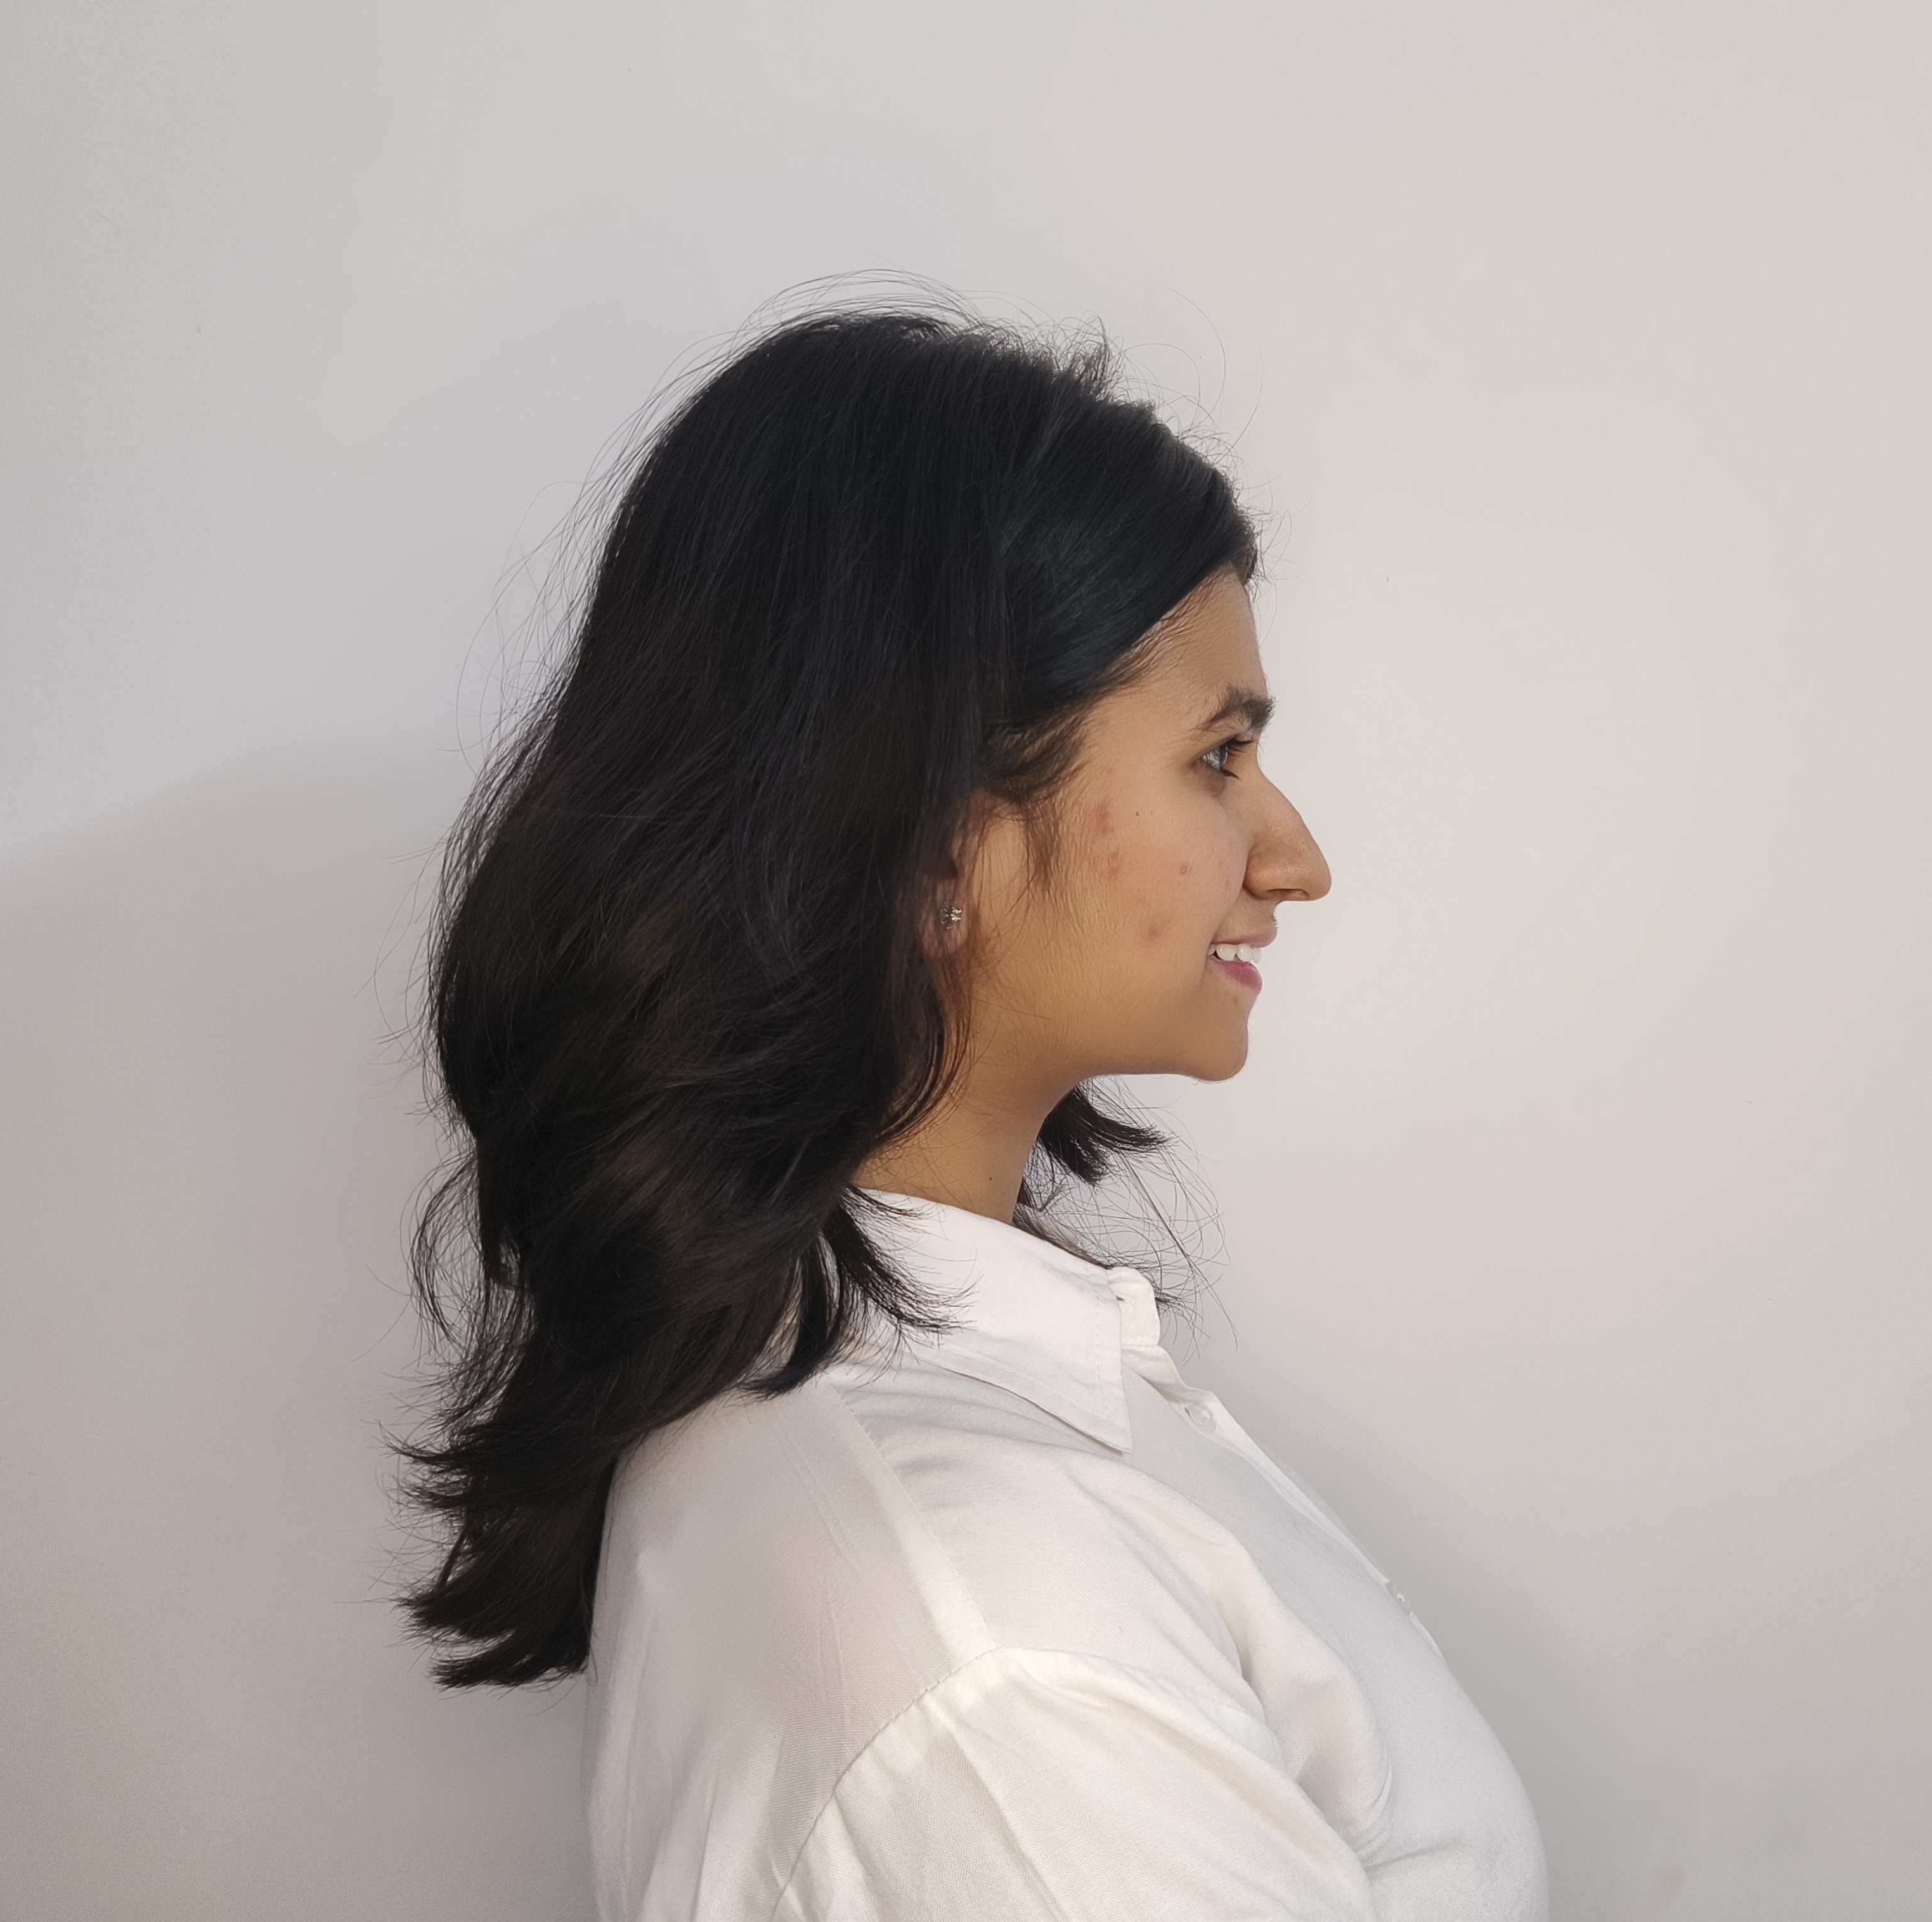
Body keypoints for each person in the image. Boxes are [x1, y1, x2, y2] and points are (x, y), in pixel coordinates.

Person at [403, 305, 1548, 1920]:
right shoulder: (999, 1646)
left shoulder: (924, 1435)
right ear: (939, 838)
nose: (1292, 859)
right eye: (1217, 756)